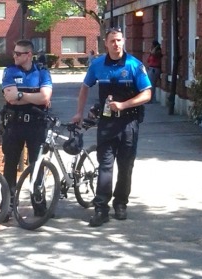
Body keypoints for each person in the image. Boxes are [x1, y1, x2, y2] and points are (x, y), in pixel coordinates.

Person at [72, 27, 152, 227]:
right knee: (105, 166)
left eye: (119, 40)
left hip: (128, 123)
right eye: (112, 41)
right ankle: (101, 208)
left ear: (123, 41)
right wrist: (79, 113)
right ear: (105, 44)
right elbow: (84, 87)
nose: (116, 44)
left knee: (125, 167)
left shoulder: (134, 65)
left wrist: (124, 104)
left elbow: (147, 94)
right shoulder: (98, 65)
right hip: (107, 123)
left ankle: (121, 203)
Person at [1, 39, 53, 220]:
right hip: (14, 125)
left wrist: (21, 94)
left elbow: (45, 97)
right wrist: (34, 96)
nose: (14, 56)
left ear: (28, 55)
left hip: (36, 126)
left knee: (36, 166)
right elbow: (10, 99)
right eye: (14, 52)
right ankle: (7, 207)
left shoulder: (42, 73)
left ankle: (39, 205)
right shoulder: (10, 71)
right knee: (10, 166)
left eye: (18, 53)